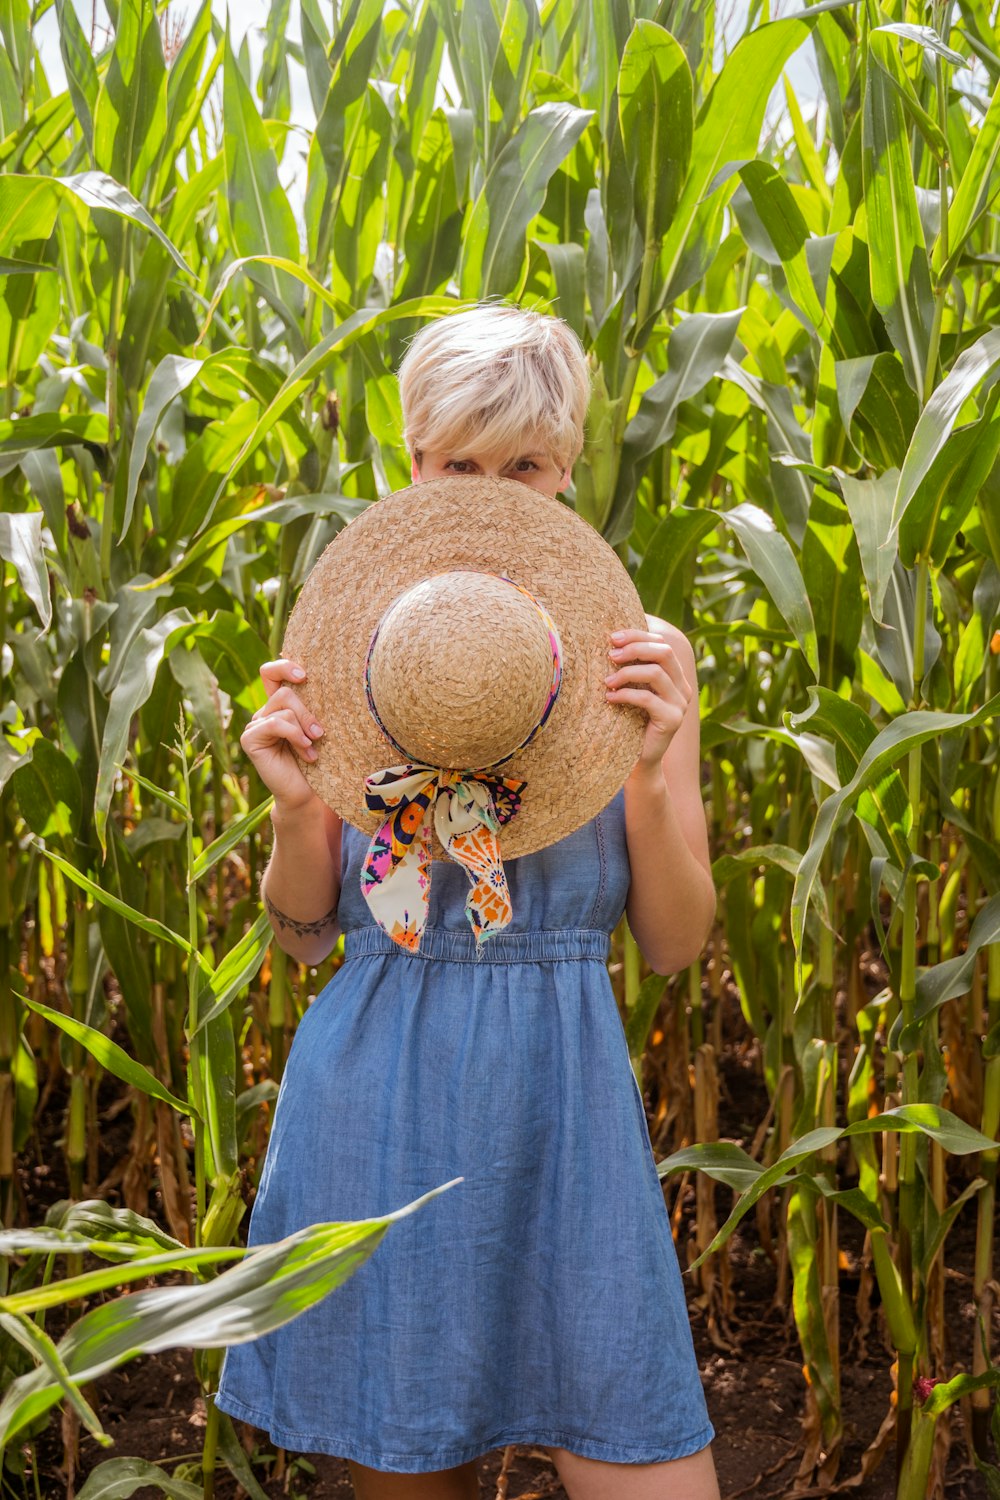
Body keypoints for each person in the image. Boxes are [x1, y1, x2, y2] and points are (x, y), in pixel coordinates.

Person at [214, 302, 721, 1500]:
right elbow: (298, 941)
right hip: (379, 1105)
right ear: (413, 464)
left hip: (565, 1109)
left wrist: (646, 768)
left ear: (569, 465)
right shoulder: (355, 648)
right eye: (460, 465)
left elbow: (674, 942)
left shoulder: (638, 660)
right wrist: (296, 812)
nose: (491, 493)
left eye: (527, 466)